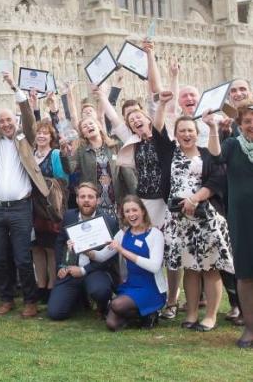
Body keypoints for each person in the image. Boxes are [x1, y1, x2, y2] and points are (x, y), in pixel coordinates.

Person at [152, 98, 233, 331]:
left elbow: (218, 179)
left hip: (206, 219)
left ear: (197, 133)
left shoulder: (208, 154)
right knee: (190, 267)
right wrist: (161, 105)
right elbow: (157, 131)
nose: (186, 134)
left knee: (209, 267)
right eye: (181, 131)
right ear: (176, 135)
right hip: (179, 221)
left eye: (190, 130)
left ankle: (210, 316)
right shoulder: (170, 153)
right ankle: (190, 314)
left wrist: (194, 199)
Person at [0, 71, 49, 318]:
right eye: (2, 121)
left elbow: (28, 115)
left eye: (9, 121)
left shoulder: (25, 138)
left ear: (15, 122)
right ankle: (6, 298)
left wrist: (13, 86)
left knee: (22, 258)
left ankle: (30, 301)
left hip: (20, 209)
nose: (6, 124)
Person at [206, 102, 253, 348]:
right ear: (240, 124)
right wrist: (213, 127)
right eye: (247, 121)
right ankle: (250, 327)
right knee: (245, 274)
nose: (252, 125)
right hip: (243, 217)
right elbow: (215, 155)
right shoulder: (233, 145)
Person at [47, 182, 119, 320]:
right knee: (55, 313)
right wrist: (61, 267)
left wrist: (83, 270)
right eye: (82, 196)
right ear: (77, 199)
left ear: (97, 200)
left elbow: (110, 259)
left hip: (95, 271)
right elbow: (59, 243)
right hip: (71, 269)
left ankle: (103, 305)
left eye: (90, 197)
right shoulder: (69, 216)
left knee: (100, 291)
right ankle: (78, 299)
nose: (86, 200)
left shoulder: (109, 222)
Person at [97, 195, 167, 331]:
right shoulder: (123, 233)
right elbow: (100, 256)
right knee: (112, 324)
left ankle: (151, 311)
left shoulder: (155, 234)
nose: (131, 214)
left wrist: (122, 250)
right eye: (127, 211)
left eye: (134, 210)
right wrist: (82, 248)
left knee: (116, 305)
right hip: (131, 286)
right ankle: (144, 316)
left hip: (150, 288)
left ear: (143, 211)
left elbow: (154, 266)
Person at [30, 119, 69, 302]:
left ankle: (53, 285)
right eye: (39, 132)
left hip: (49, 207)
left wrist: (43, 184)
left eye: (45, 133)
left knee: (51, 248)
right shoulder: (30, 154)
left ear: (51, 136)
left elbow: (62, 180)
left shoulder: (55, 154)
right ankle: (41, 285)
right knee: (36, 247)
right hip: (31, 207)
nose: (41, 136)